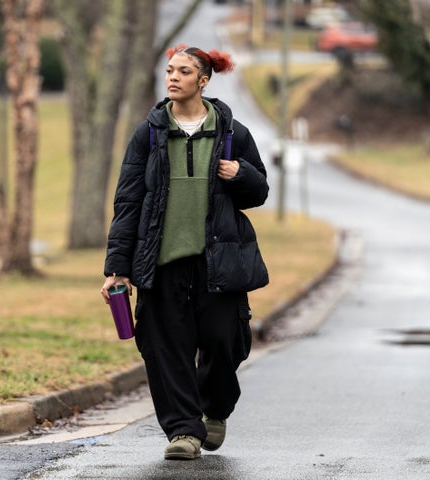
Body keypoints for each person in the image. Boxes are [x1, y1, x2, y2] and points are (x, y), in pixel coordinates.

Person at [100, 45, 269, 460]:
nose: (173, 77)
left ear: (203, 80)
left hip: (218, 261)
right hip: (162, 262)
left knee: (224, 341)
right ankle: (183, 431)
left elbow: (260, 191)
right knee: (164, 347)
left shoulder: (232, 134)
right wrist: (117, 268)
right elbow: (128, 203)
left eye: (184, 71)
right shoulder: (150, 133)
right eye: (170, 70)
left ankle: (215, 409)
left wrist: (240, 174)